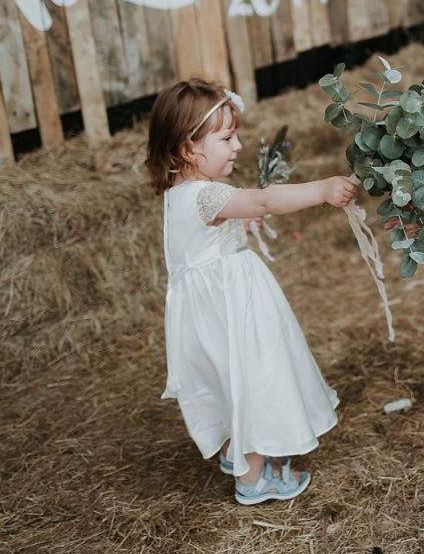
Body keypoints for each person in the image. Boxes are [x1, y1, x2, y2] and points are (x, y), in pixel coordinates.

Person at [145, 79, 359, 505]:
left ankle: (234, 450)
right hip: (232, 307)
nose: (238, 145)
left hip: (206, 311)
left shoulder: (181, 193)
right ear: (189, 149)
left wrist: (235, 223)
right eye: (226, 138)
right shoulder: (207, 195)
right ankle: (254, 478)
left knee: (227, 380)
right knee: (253, 376)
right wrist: (322, 190)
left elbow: (211, 233)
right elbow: (262, 201)